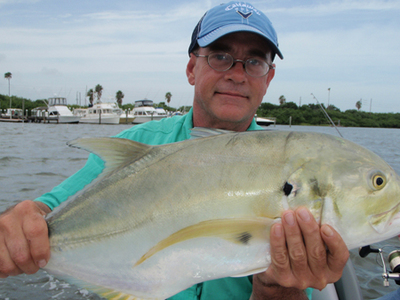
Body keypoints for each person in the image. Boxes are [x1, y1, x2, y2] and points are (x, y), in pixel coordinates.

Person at [0, 2, 349, 299]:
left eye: (254, 62)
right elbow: (49, 210)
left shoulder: (293, 174)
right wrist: (19, 222)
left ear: (268, 78)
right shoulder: (142, 144)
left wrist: (279, 289)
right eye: (221, 57)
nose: (237, 75)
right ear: (191, 69)